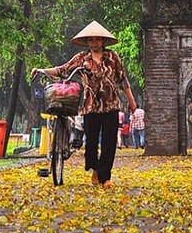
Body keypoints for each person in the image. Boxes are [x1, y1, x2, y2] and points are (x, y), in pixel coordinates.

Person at [32, 21, 137, 188]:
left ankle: (105, 177)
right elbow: (62, 69)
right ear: (87, 42)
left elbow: (123, 80)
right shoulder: (81, 58)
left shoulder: (113, 57)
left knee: (109, 143)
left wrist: (132, 102)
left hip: (111, 105)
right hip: (90, 106)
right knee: (91, 144)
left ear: (103, 41)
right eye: (91, 40)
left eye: (97, 40)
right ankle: (95, 168)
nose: (94, 43)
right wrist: (42, 70)